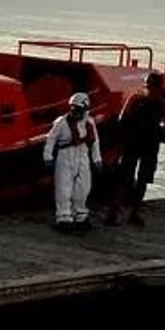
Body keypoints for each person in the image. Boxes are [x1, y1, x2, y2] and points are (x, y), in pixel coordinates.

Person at [108, 72, 165, 227]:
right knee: (126, 178)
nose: (148, 88)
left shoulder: (145, 101)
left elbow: (122, 120)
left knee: (141, 179)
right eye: (147, 85)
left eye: (151, 85)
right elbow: (123, 120)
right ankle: (115, 212)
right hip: (137, 144)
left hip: (146, 145)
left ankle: (131, 213)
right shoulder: (139, 100)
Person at [44, 92, 103, 231]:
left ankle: (80, 215)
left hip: (82, 154)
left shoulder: (89, 122)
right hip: (65, 155)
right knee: (63, 188)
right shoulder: (61, 122)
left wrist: (97, 159)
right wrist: (47, 156)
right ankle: (64, 217)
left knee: (83, 188)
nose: (75, 112)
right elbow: (51, 140)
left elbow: (95, 142)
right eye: (74, 108)